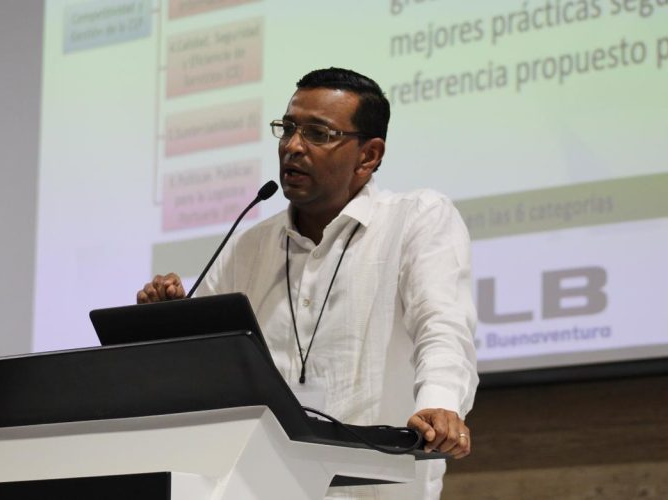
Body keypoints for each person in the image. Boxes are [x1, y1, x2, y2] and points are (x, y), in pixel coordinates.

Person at [137, 67, 478, 499]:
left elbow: (443, 326)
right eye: (288, 128)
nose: (293, 146)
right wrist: (166, 327)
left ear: (368, 156)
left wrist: (440, 404)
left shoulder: (416, 219)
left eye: (318, 133)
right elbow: (201, 367)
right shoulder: (249, 246)